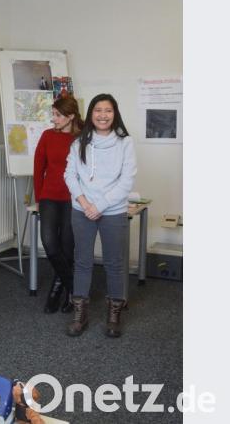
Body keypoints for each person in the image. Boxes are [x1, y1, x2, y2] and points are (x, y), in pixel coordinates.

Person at [64, 94, 136, 338]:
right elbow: (70, 175)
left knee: (114, 263)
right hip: (82, 209)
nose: (103, 115)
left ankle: (114, 314)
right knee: (82, 262)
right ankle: (80, 314)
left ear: (115, 113)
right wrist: (85, 203)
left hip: (113, 211)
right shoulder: (79, 142)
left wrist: (100, 205)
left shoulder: (125, 143)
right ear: (91, 114)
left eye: (108, 110)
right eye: (98, 110)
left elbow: (126, 181)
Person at [33, 96, 84, 314]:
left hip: (74, 198)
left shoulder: (83, 138)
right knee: (49, 243)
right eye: (53, 114)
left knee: (67, 246)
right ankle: (73, 287)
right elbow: (38, 167)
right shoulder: (47, 136)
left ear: (70, 116)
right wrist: (38, 197)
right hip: (50, 197)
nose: (53, 119)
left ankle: (56, 288)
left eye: (57, 115)